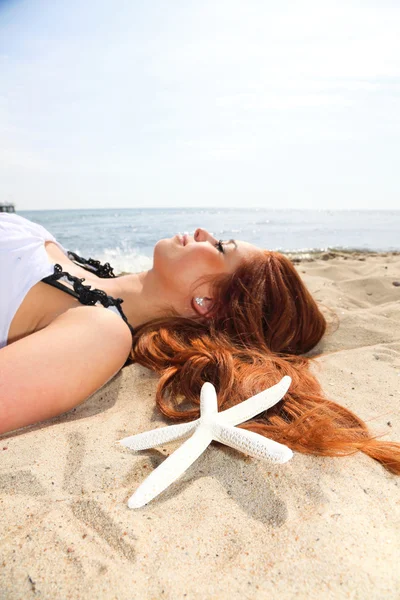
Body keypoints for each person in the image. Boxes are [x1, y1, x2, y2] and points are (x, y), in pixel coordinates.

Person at [0, 213, 399, 476]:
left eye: (221, 246)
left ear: (206, 304)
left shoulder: (100, 335)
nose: (204, 233)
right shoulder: (79, 271)